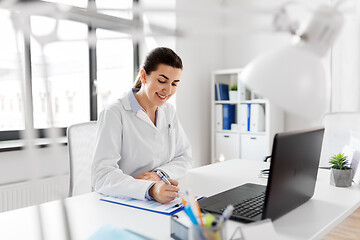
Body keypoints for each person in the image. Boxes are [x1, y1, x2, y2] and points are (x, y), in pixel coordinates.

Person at [91, 47, 192, 204]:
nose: (168, 90)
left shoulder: (169, 111)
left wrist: (160, 174)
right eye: (162, 81)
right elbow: (102, 175)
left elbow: (184, 157)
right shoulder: (114, 113)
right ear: (144, 76)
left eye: (175, 83)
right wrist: (149, 189)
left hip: (160, 200)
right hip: (124, 201)